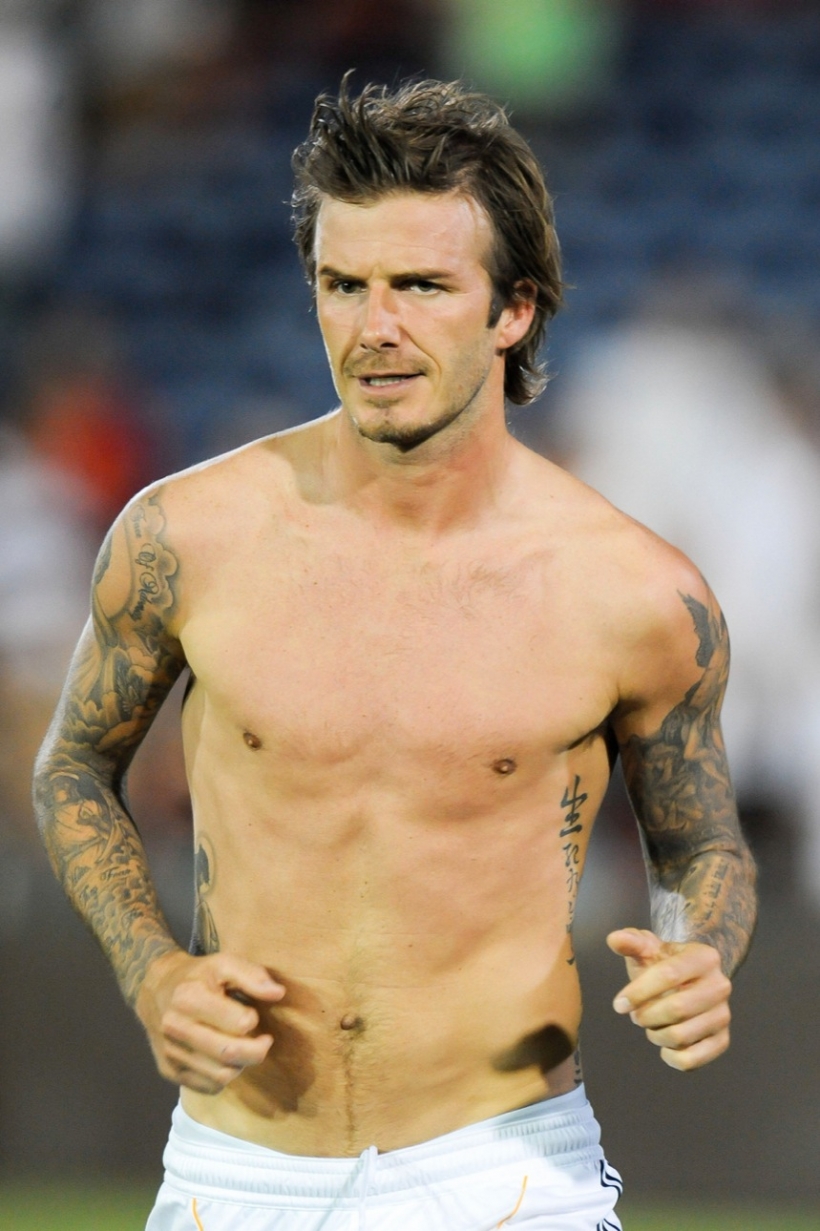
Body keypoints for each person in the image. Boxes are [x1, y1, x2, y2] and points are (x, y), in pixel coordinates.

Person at [33, 78, 756, 1230]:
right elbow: (73, 767)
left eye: (420, 286)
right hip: (236, 1171)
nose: (374, 327)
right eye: (343, 285)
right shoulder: (184, 536)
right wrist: (151, 968)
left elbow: (701, 842)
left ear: (513, 311)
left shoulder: (634, 593)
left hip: (506, 1175)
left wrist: (698, 949)